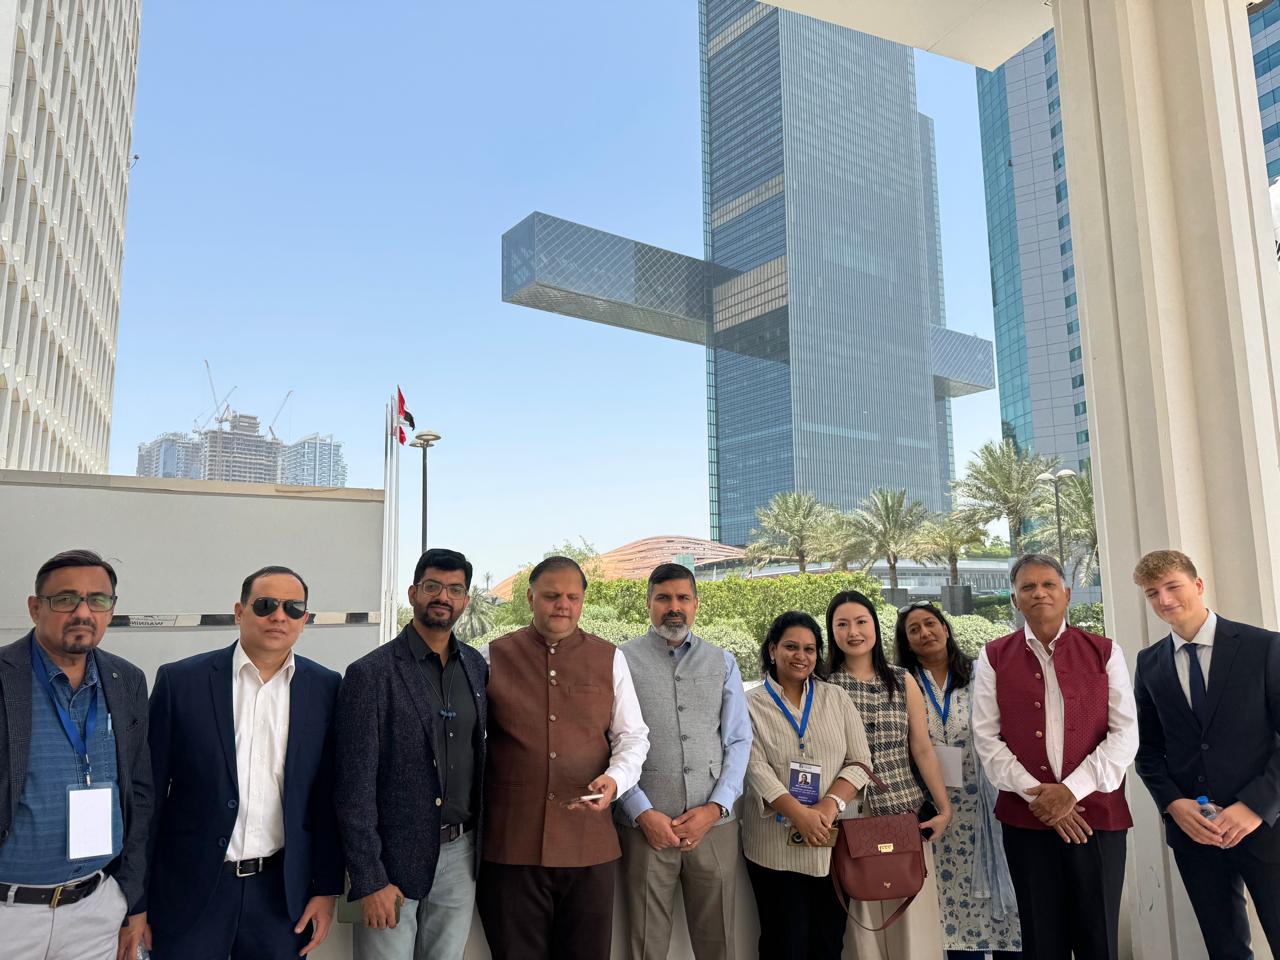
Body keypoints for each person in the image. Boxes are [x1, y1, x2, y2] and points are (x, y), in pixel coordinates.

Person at [145, 565, 343, 959]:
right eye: (266, 605)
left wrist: (326, 889)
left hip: (280, 895)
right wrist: (136, 900)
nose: (279, 616)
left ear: (304, 619)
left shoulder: (325, 687)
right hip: (190, 890)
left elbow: (327, 797)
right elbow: (147, 796)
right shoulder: (180, 682)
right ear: (240, 611)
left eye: (293, 608)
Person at [476, 556, 649, 960]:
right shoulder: (491, 656)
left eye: (573, 597)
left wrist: (616, 778)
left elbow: (633, 736)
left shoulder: (610, 658)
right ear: (531, 598)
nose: (563, 605)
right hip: (511, 845)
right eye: (552, 595)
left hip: (589, 845)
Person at [972, 554, 1138, 960]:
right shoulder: (994, 656)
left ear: (1066, 594)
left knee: (1099, 939)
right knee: (1041, 939)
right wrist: (1041, 798)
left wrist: (1070, 792)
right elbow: (987, 738)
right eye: (1027, 587)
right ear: (1015, 599)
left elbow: (1125, 735)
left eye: (1048, 585)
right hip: (1026, 821)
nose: (1039, 593)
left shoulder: (1104, 652)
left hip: (1096, 818)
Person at [335, 548, 488, 960]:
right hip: (390, 859)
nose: (443, 597)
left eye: (455, 589)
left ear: (465, 600)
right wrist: (369, 878)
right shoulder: (370, 674)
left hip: (460, 853)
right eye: (433, 586)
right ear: (413, 593)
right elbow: (352, 787)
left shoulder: (475, 666)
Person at [0, 549, 152, 960]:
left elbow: (139, 793)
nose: (83, 612)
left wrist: (130, 897)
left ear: (111, 609)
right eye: (65, 599)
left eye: (97, 600)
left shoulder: (127, 680)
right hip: (8, 914)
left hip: (95, 910)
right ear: (35, 608)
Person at [1131, 549, 1280, 960]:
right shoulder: (1149, 662)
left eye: (1172, 586)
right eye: (1152, 593)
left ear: (1198, 585)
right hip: (1195, 831)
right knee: (1224, 949)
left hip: (1267, 826)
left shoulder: (1264, 646)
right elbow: (1148, 750)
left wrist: (1254, 807)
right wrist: (1173, 804)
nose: (1164, 600)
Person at [615, 563, 751, 960]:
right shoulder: (620, 660)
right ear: (648, 604)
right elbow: (611, 741)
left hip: (714, 826)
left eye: (682, 598)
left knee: (718, 942)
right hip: (644, 827)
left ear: (696, 604)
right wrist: (641, 811)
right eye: (663, 598)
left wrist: (716, 806)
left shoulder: (723, 662)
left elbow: (739, 740)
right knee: (646, 944)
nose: (673, 607)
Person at [895, 600, 1022, 960]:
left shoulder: (982, 674)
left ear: (946, 628)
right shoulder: (903, 685)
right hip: (936, 813)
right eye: (914, 629)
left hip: (989, 808)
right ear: (906, 642)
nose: (925, 633)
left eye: (930, 623)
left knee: (1010, 914)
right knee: (950, 914)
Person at [827, 590, 951, 956]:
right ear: (831, 631)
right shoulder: (825, 684)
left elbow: (922, 748)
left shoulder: (901, 680)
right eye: (842, 624)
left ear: (875, 627)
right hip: (851, 816)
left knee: (912, 921)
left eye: (861, 622)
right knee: (862, 924)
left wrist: (943, 808)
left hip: (903, 813)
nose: (853, 632)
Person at [742, 610, 872, 960]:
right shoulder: (749, 704)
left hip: (832, 840)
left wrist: (829, 806)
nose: (801, 656)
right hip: (773, 845)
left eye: (809, 649)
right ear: (772, 650)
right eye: (791, 647)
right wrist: (799, 814)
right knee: (784, 944)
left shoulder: (836, 697)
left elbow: (861, 761)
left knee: (828, 944)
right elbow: (753, 766)